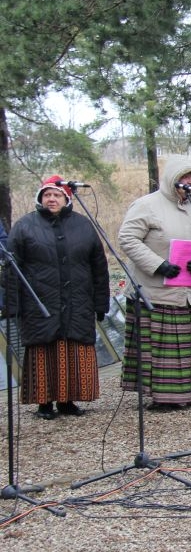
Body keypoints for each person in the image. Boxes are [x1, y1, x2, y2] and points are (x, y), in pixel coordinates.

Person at [6, 176, 110, 419]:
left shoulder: (83, 225)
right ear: (40, 199)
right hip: (39, 303)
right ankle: (44, 404)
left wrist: (100, 303)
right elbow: (12, 270)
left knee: (72, 349)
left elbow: (98, 266)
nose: (51, 199)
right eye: (46, 195)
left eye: (56, 195)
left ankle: (67, 401)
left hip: (78, 301)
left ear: (67, 198)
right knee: (44, 351)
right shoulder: (24, 226)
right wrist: (13, 306)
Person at [118, 156, 191, 409]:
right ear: (171, 178)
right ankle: (160, 397)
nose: (188, 182)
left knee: (185, 347)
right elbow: (127, 238)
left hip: (186, 289)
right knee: (159, 347)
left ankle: (184, 395)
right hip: (155, 290)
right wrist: (158, 265)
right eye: (183, 177)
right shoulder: (147, 205)